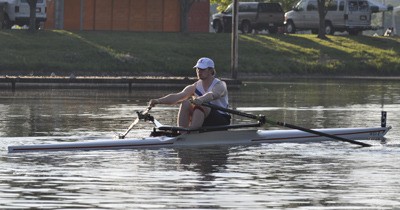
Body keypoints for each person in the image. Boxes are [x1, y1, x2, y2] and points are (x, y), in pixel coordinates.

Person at [148, 57, 230, 130]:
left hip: (220, 119)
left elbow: (213, 95)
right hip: (202, 118)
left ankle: (192, 133)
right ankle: (182, 132)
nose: (199, 72)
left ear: (211, 70)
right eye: (197, 69)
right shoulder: (195, 86)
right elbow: (177, 96)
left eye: (202, 69)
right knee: (185, 103)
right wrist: (158, 101)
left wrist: (200, 99)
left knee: (202, 104)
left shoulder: (220, 84)